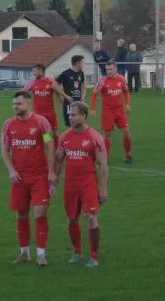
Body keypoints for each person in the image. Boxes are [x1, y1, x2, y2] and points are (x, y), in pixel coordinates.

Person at [1, 91, 56, 267]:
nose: (15, 107)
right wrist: (11, 171)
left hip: (39, 175)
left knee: (40, 212)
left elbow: (49, 145)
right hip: (19, 178)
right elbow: (4, 149)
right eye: (14, 104)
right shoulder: (9, 125)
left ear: (28, 104)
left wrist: (51, 172)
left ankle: (41, 254)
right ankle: (24, 252)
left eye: (19, 104)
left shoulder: (41, 123)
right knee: (21, 213)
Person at [53, 101, 108, 268]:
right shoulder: (64, 137)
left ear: (83, 116)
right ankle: (77, 252)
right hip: (70, 184)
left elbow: (103, 165)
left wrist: (103, 188)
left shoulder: (95, 137)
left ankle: (94, 256)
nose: (70, 117)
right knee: (72, 219)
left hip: (88, 183)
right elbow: (58, 161)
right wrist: (53, 181)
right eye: (69, 114)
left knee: (91, 218)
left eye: (74, 114)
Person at [90, 61, 133, 163]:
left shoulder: (121, 79)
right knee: (107, 134)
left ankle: (128, 155)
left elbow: (126, 92)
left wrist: (127, 104)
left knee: (126, 131)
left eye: (111, 69)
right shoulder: (102, 81)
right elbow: (94, 94)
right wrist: (92, 109)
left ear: (116, 69)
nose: (108, 71)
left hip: (119, 110)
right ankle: (105, 157)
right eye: (107, 69)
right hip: (107, 111)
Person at [23, 63, 71, 147]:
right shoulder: (33, 83)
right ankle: (45, 148)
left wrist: (62, 107)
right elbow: (22, 93)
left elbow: (59, 95)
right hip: (38, 113)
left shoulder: (51, 82)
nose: (33, 73)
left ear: (41, 71)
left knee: (54, 133)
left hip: (50, 113)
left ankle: (56, 150)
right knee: (40, 132)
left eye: (35, 71)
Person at [56, 55, 86, 127]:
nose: (83, 64)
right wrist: (66, 96)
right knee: (71, 125)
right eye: (82, 62)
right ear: (78, 63)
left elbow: (83, 87)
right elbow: (54, 86)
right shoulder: (65, 74)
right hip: (69, 104)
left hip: (78, 103)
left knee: (80, 124)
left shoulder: (81, 73)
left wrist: (83, 97)